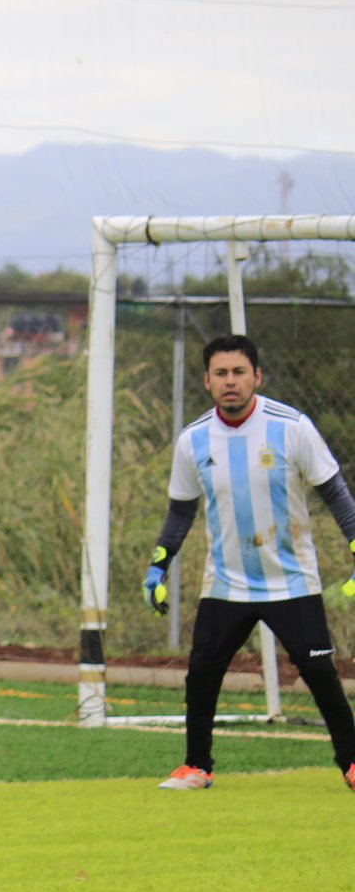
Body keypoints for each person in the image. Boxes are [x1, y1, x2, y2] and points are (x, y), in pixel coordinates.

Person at [144, 333, 355, 792]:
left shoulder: (292, 427)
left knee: (320, 673)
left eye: (239, 372)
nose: (230, 382)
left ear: (257, 376)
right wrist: (159, 565)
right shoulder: (193, 440)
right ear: (206, 381)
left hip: (291, 581)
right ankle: (196, 766)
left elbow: (335, 492)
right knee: (202, 673)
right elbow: (182, 509)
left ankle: (352, 763)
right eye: (221, 373)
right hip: (226, 584)